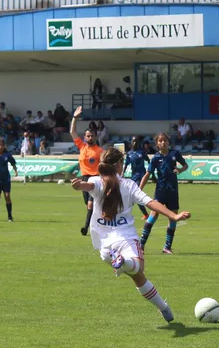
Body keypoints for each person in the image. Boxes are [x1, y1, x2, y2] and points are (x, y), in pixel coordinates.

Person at [70, 146, 190, 323]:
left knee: (136, 275)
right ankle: (125, 263)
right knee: (138, 270)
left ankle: (163, 307)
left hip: (104, 246)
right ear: (120, 165)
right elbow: (150, 202)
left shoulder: (96, 182)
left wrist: (79, 185)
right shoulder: (128, 185)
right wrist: (173, 215)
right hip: (126, 238)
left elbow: (86, 185)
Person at [140, 132, 188, 255]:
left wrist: (180, 170)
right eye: (160, 141)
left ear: (168, 142)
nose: (163, 142)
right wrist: (139, 188)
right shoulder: (156, 158)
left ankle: (167, 247)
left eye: (165, 140)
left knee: (173, 217)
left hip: (173, 190)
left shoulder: (174, 154)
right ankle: (141, 245)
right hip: (160, 191)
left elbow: (185, 165)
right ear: (157, 144)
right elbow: (148, 174)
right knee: (153, 215)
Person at [70, 105, 103, 236]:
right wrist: (74, 118)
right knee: (89, 206)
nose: (90, 138)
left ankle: (85, 228)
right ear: (85, 137)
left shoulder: (100, 151)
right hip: (84, 178)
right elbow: (72, 132)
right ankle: (98, 225)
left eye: (92, 136)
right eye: (88, 136)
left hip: (95, 179)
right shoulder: (82, 147)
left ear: (95, 137)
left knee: (90, 204)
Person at [125, 136, 151, 218]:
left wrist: (150, 171)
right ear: (131, 143)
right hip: (134, 177)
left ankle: (146, 214)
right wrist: (122, 173)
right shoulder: (129, 154)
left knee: (135, 194)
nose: (135, 143)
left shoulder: (142, 152)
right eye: (133, 141)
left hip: (141, 176)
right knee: (134, 195)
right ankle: (146, 214)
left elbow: (148, 160)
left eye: (136, 141)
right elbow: (126, 164)